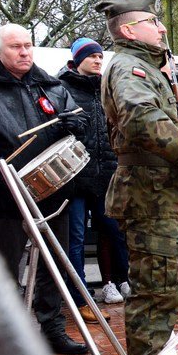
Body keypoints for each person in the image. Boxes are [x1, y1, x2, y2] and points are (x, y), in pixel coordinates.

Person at [0, 24, 88, 355]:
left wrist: (76, 125)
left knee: (55, 265)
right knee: (5, 268)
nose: (24, 52)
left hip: (55, 190)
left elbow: (80, 125)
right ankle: (5, 338)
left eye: (28, 45)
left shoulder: (51, 85)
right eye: (15, 47)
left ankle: (53, 330)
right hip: (6, 193)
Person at [98, 0, 178, 355]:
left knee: (163, 292)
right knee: (154, 295)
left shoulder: (147, 67)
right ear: (129, 30)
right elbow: (141, 118)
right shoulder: (129, 67)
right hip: (150, 196)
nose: (162, 29)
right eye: (152, 22)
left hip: (161, 194)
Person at [58, 37, 129, 320]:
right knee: (75, 239)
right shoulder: (61, 88)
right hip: (75, 176)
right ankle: (81, 298)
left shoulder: (107, 89)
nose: (98, 60)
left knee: (116, 231)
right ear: (77, 60)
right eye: (92, 56)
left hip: (106, 174)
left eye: (100, 56)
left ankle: (123, 280)